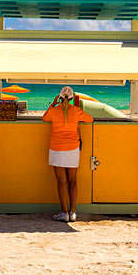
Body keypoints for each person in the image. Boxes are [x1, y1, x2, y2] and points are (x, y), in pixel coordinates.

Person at [42, 86, 94, 223]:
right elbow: (90, 119)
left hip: (57, 148)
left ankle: (64, 212)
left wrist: (53, 104)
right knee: (73, 181)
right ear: (71, 99)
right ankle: (73, 212)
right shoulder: (76, 111)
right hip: (72, 149)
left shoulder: (54, 111)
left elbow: (44, 118)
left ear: (59, 98)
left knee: (61, 181)